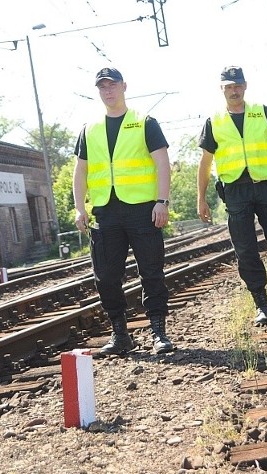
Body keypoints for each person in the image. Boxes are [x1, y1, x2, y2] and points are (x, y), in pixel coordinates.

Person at [73, 67, 174, 355]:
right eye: (102, 86)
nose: (108, 90)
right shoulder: (89, 129)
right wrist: (80, 209)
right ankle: (121, 336)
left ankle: (158, 333)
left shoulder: (144, 122)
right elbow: (80, 172)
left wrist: (162, 201)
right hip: (105, 212)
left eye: (112, 85)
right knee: (105, 277)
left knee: (151, 272)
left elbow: (162, 163)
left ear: (124, 86)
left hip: (144, 210)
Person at [197, 66, 267, 326]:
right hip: (235, 191)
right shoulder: (214, 122)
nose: (234, 91)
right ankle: (262, 305)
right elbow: (205, 162)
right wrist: (202, 197)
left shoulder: (262, 112)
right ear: (221, 89)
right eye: (228, 87)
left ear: (245, 86)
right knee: (246, 251)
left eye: (237, 85)